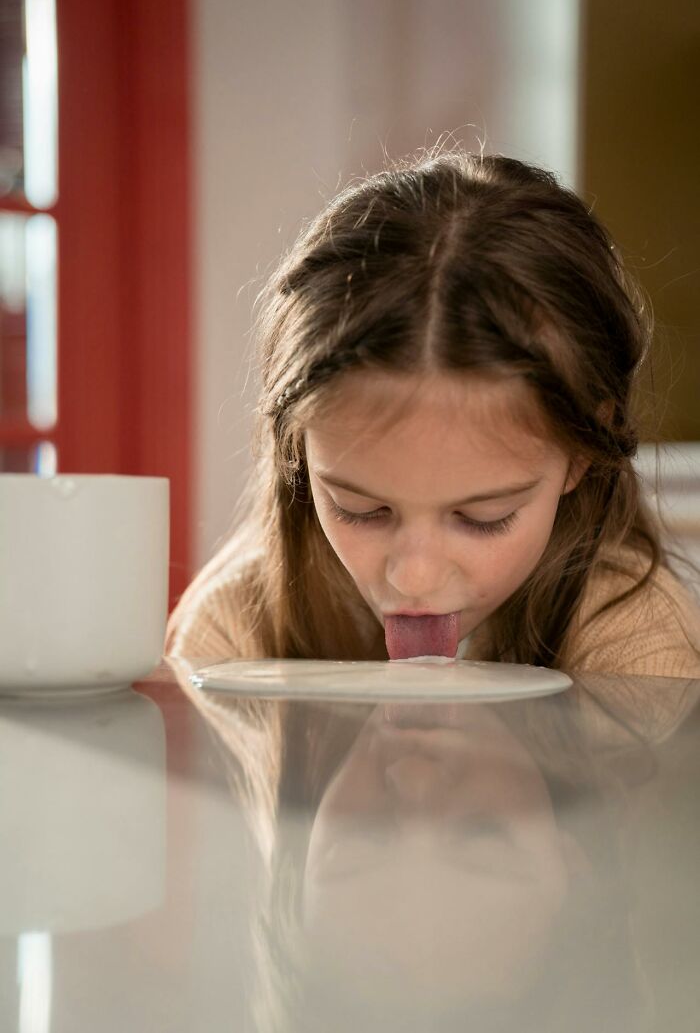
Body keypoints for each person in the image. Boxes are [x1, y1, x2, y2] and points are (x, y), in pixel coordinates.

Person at [165, 144, 700, 676]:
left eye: (483, 517)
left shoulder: (639, 647)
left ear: (582, 454)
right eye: (359, 508)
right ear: (298, 453)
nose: (414, 579)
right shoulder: (231, 634)